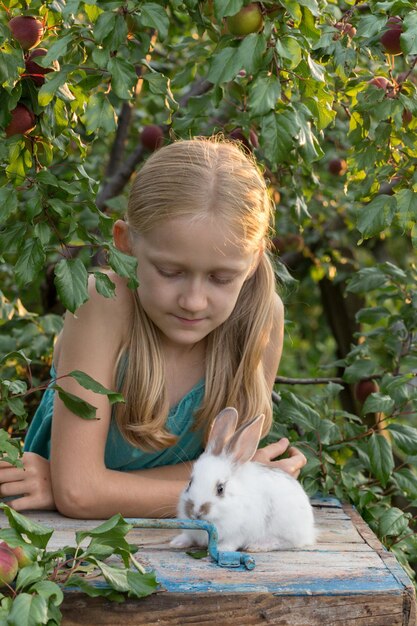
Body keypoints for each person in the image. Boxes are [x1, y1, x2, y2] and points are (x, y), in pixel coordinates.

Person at [0, 137, 306, 518]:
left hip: (186, 555)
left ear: (254, 258)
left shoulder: (260, 320)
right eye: (170, 272)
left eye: (221, 278)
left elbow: (82, 488)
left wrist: (95, 487)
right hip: (61, 546)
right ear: (125, 244)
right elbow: (79, 493)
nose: (193, 300)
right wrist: (238, 491)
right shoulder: (104, 303)